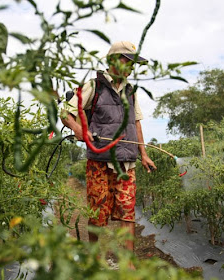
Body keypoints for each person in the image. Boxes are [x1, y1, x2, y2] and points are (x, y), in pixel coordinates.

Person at [61, 41, 157, 255]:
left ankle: (129, 264)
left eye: (133, 64)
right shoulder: (94, 86)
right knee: (96, 213)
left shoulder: (131, 91)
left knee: (127, 211)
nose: (131, 68)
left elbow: (136, 122)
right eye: (128, 62)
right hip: (100, 161)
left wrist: (144, 154)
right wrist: (78, 128)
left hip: (127, 161)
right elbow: (65, 112)